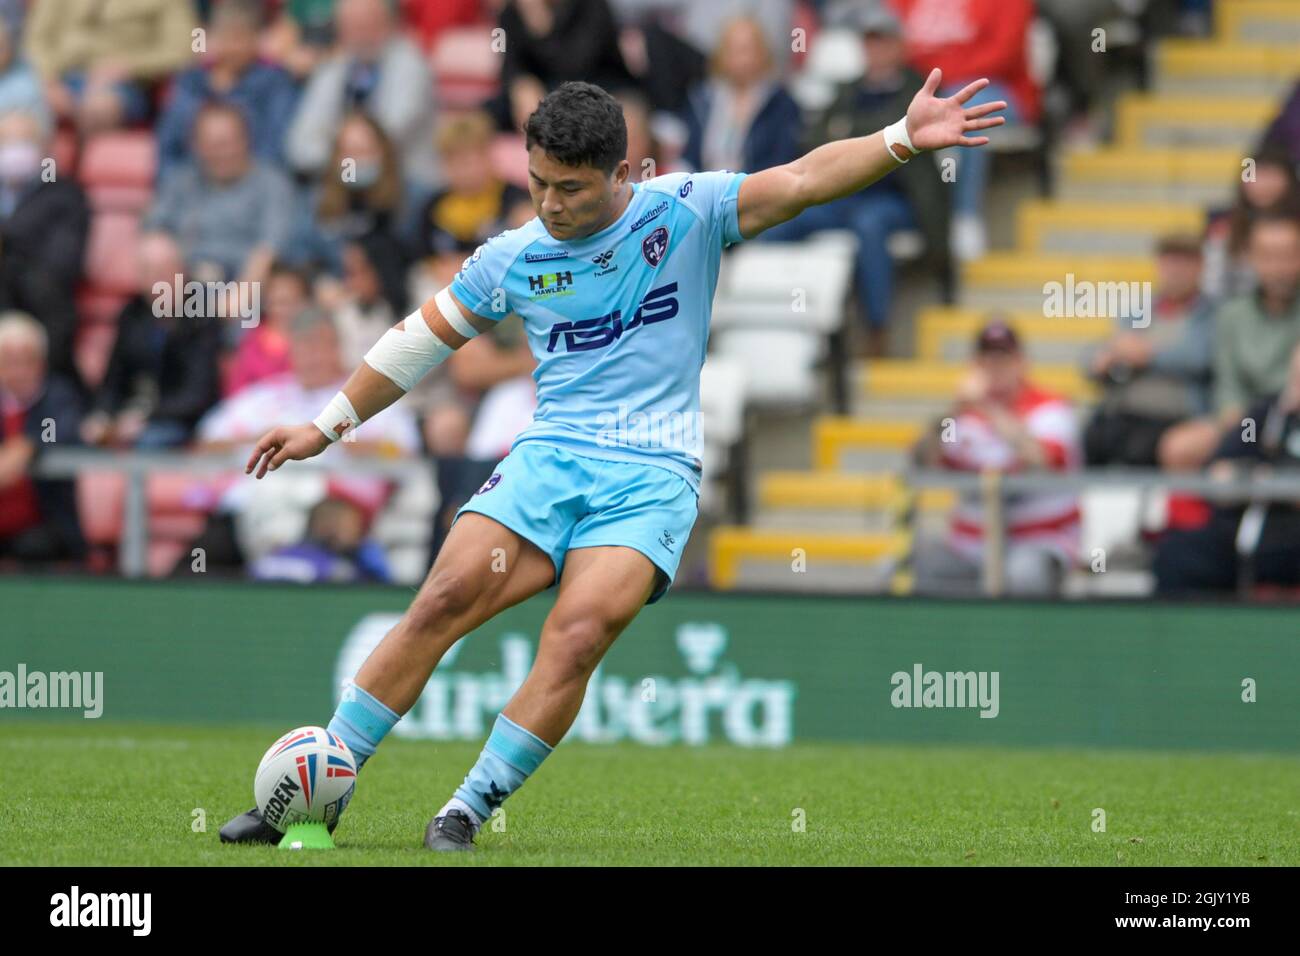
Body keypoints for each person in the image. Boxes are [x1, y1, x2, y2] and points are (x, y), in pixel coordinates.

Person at [219, 77, 1006, 850]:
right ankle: (316, 788)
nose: (550, 204)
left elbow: (799, 181)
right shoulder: (513, 256)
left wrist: (900, 138)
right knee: (443, 598)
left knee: (578, 634)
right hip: (551, 457)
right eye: (536, 184)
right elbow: (419, 340)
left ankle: (463, 811)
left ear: (624, 175)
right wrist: (328, 424)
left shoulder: (688, 211)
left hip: (653, 474)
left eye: (570, 188)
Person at [911, 319, 1082, 597]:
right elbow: (923, 460)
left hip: (1038, 541)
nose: (995, 368)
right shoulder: (960, 417)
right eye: (986, 359)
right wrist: (954, 410)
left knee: (1022, 575)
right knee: (903, 569)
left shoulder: (1050, 408)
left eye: (1004, 358)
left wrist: (986, 407)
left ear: (1022, 362)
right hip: (970, 546)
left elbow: (1040, 457)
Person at [1154, 341, 1300, 595]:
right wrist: (1259, 478)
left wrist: (1270, 482)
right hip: (1240, 535)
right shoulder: (1266, 415)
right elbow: (1220, 472)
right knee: (1174, 553)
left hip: (1290, 539)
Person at [1083, 233, 1215, 466]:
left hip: (1175, 417)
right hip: (1122, 413)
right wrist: (1102, 359)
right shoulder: (1138, 312)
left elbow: (1200, 358)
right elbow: (1097, 354)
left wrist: (1149, 355)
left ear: (1200, 266)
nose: (1175, 271)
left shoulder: (1211, 314)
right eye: (1169, 262)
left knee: (1142, 449)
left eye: (1183, 263)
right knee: (1091, 437)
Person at [81, 232, 222, 448]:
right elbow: (113, 380)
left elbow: (198, 395)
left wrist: (146, 416)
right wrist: (103, 415)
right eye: (149, 272)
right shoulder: (132, 314)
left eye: (164, 271)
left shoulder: (201, 315)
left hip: (184, 420)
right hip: (135, 416)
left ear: (182, 271)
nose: (158, 281)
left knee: (150, 441)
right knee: (79, 435)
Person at [155, 0, 300, 181]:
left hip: (252, 186)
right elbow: (169, 145)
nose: (233, 47)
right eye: (226, 37)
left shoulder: (275, 82)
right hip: (193, 185)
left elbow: (274, 149)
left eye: (241, 38)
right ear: (213, 37)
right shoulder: (190, 80)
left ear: (256, 40)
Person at [0, 311, 85, 564]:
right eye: (9, 360)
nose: (18, 370)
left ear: (41, 363)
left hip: (45, 525)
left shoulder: (60, 397)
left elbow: (61, 430)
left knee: (34, 547)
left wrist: (27, 445)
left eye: (26, 360)